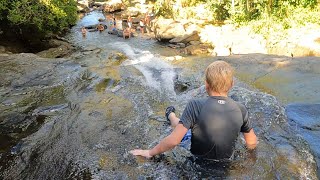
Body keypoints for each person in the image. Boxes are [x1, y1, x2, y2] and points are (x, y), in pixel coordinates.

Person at [130, 61, 258, 160]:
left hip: (197, 159)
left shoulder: (195, 105)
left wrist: (150, 152)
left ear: (206, 84)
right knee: (189, 125)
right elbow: (252, 142)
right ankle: (172, 116)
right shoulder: (241, 109)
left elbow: (174, 140)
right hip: (225, 162)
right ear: (232, 84)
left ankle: (170, 115)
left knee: (183, 127)